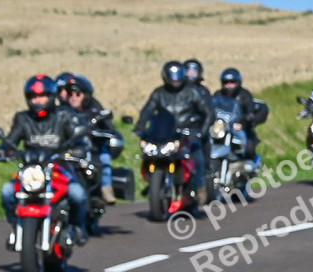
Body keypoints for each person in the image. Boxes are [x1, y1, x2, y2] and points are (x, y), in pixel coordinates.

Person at [0, 74, 91, 246]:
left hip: (59, 168)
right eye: (34, 97)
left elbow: (79, 139)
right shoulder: (23, 118)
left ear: (51, 96)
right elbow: (11, 140)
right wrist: (3, 150)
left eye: (42, 96)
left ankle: (78, 227)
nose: (38, 101)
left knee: (77, 194)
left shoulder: (64, 115)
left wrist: (78, 150)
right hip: (31, 172)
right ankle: (16, 226)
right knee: (7, 191)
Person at [135, 60, 213, 194]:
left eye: (178, 76)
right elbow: (147, 110)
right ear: (165, 76)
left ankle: (199, 187)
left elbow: (208, 113)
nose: (175, 80)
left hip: (188, 133)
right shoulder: (159, 93)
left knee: (198, 158)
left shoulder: (192, 92)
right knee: (150, 154)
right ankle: (154, 181)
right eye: (172, 76)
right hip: (165, 133)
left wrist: (202, 131)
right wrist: (140, 127)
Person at [57, 73, 116, 203]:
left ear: (86, 95)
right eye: (70, 94)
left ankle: (106, 188)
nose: (73, 97)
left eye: (77, 94)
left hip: (92, 147)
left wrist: (99, 131)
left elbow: (109, 128)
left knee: (104, 157)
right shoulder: (62, 110)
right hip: (70, 147)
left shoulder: (94, 106)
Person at [216, 68, 266, 171]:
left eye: (232, 83)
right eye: (226, 83)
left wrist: (245, 120)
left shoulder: (245, 95)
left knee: (249, 145)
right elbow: (211, 108)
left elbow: (250, 110)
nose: (229, 85)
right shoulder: (218, 95)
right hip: (222, 128)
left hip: (240, 127)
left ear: (238, 82)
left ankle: (249, 165)